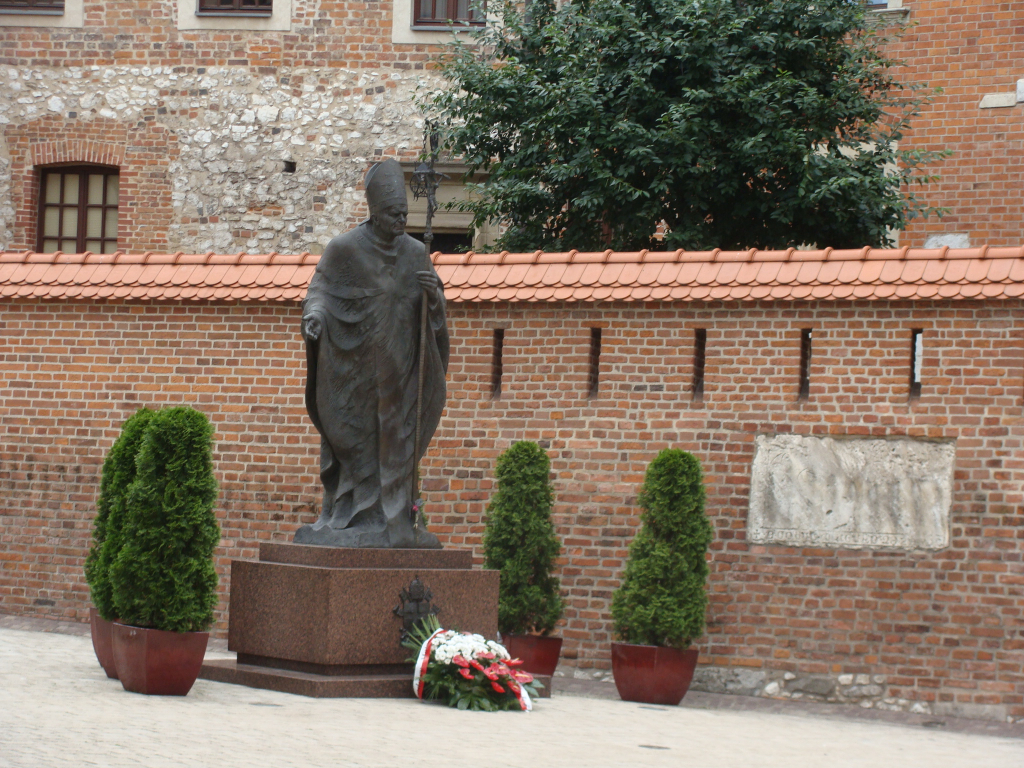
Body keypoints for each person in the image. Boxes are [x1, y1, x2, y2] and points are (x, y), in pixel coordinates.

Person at [295, 158, 448, 548]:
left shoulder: (416, 253)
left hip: (401, 374)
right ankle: (350, 517)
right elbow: (320, 292)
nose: (401, 220)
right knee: (356, 445)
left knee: (398, 447)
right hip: (354, 372)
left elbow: (433, 315)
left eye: (404, 214)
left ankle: (395, 521)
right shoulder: (344, 249)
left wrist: (433, 297)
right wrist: (315, 319)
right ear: (375, 213)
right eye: (394, 214)